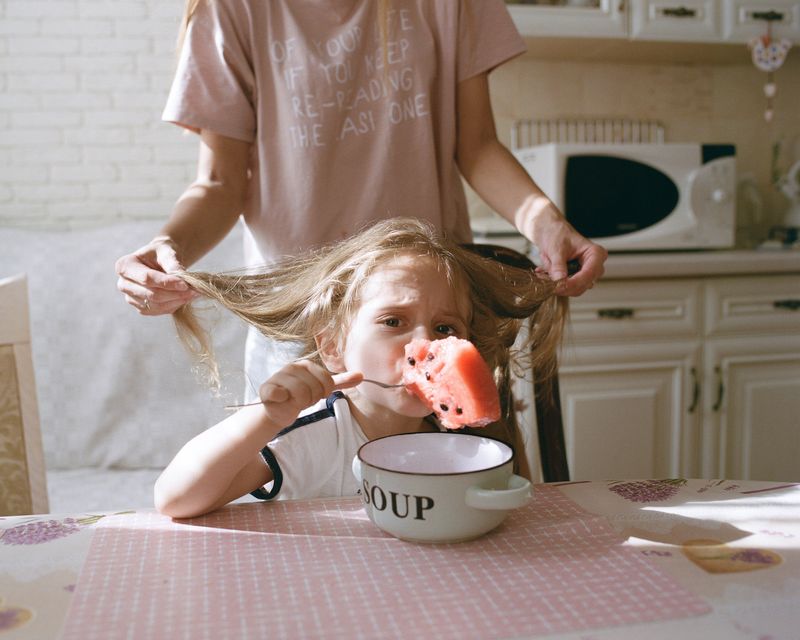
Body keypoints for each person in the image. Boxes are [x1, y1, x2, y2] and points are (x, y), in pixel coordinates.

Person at [115, 0, 606, 400]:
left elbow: (476, 146)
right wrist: (167, 243)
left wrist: (545, 223)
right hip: (302, 321)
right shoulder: (230, 9)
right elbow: (221, 183)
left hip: (432, 316)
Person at [154, 218, 565, 518]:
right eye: (393, 322)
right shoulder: (316, 436)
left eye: (445, 327)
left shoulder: (461, 441)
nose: (424, 344)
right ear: (333, 348)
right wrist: (267, 417)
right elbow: (176, 499)